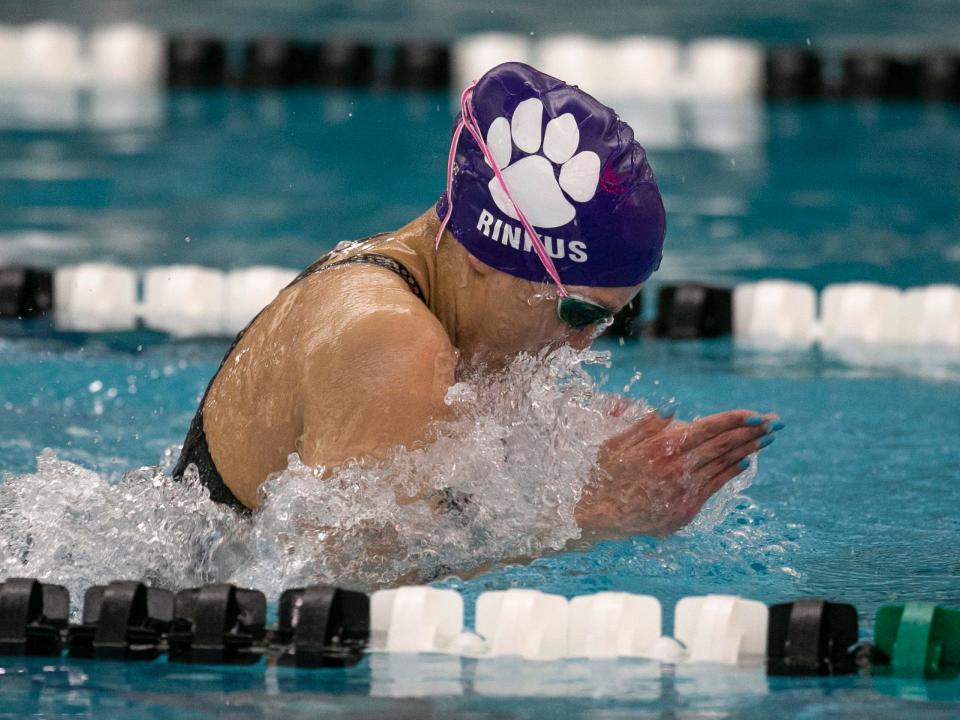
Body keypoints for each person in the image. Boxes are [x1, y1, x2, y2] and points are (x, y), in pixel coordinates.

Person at [173, 62, 779, 541]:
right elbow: (341, 574)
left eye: (608, 321)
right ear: (492, 260)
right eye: (578, 313)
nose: (582, 343)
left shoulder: (428, 285)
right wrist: (599, 512)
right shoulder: (386, 335)